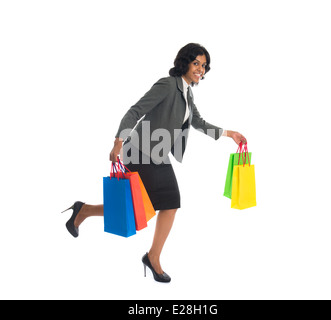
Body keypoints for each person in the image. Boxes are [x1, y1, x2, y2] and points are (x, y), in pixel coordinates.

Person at [62, 43, 246, 283]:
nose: (200, 69)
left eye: (204, 65)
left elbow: (197, 121)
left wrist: (229, 133)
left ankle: (85, 211)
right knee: (158, 204)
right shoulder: (168, 85)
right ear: (185, 63)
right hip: (139, 151)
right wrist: (118, 140)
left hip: (156, 154)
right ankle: (152, 256)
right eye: (196, 63)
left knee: (142, 206)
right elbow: (135, 111)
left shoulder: (187, 92)